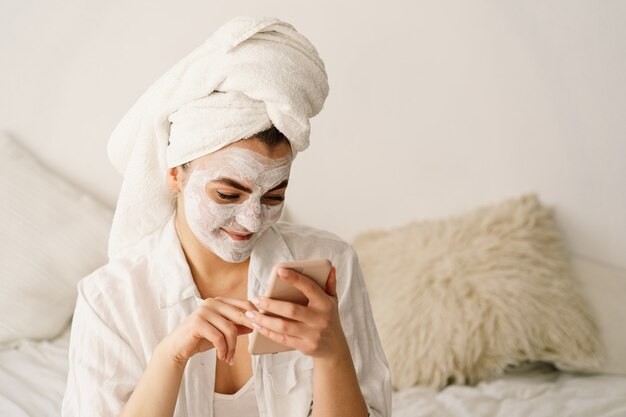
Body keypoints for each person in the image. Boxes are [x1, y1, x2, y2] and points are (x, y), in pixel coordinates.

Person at [61, 16, 391, 417]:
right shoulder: (110, 300)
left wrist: (332, 353)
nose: (252, 220)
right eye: (227, 193)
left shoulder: (329, 265)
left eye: (273, 196)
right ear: (174, 175)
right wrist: (170, 358)